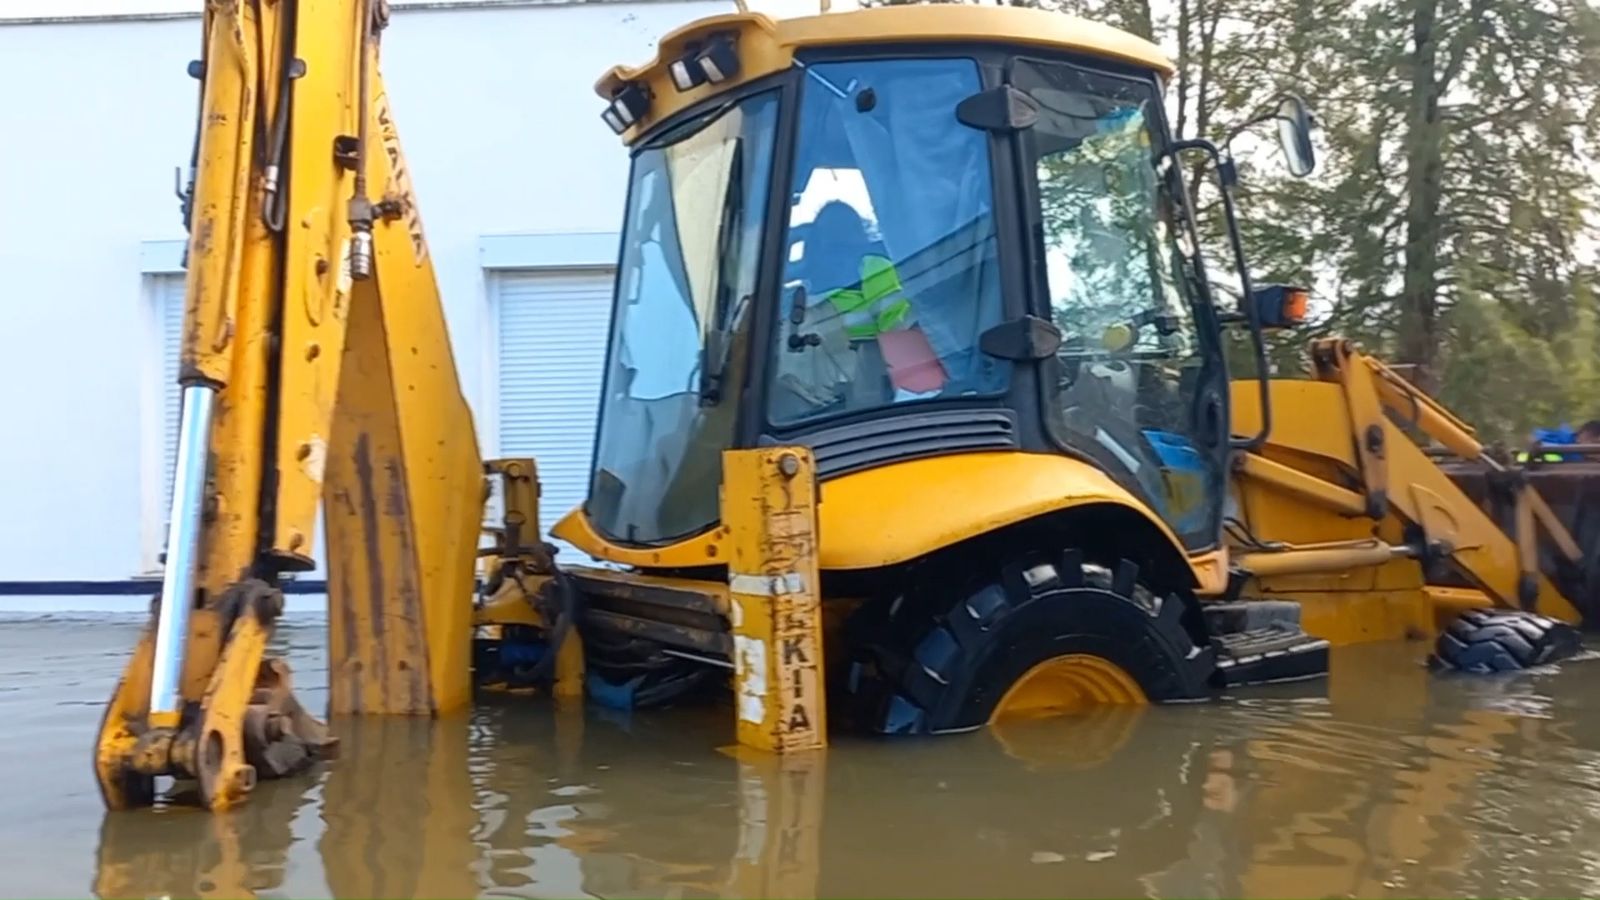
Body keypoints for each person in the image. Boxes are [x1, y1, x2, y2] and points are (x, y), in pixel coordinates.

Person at [800, 201, 947, 403]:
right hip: (865, 374)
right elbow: (898, 324)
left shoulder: (805, 281)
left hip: (833, 380)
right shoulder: (874, 266)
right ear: (859, 232)